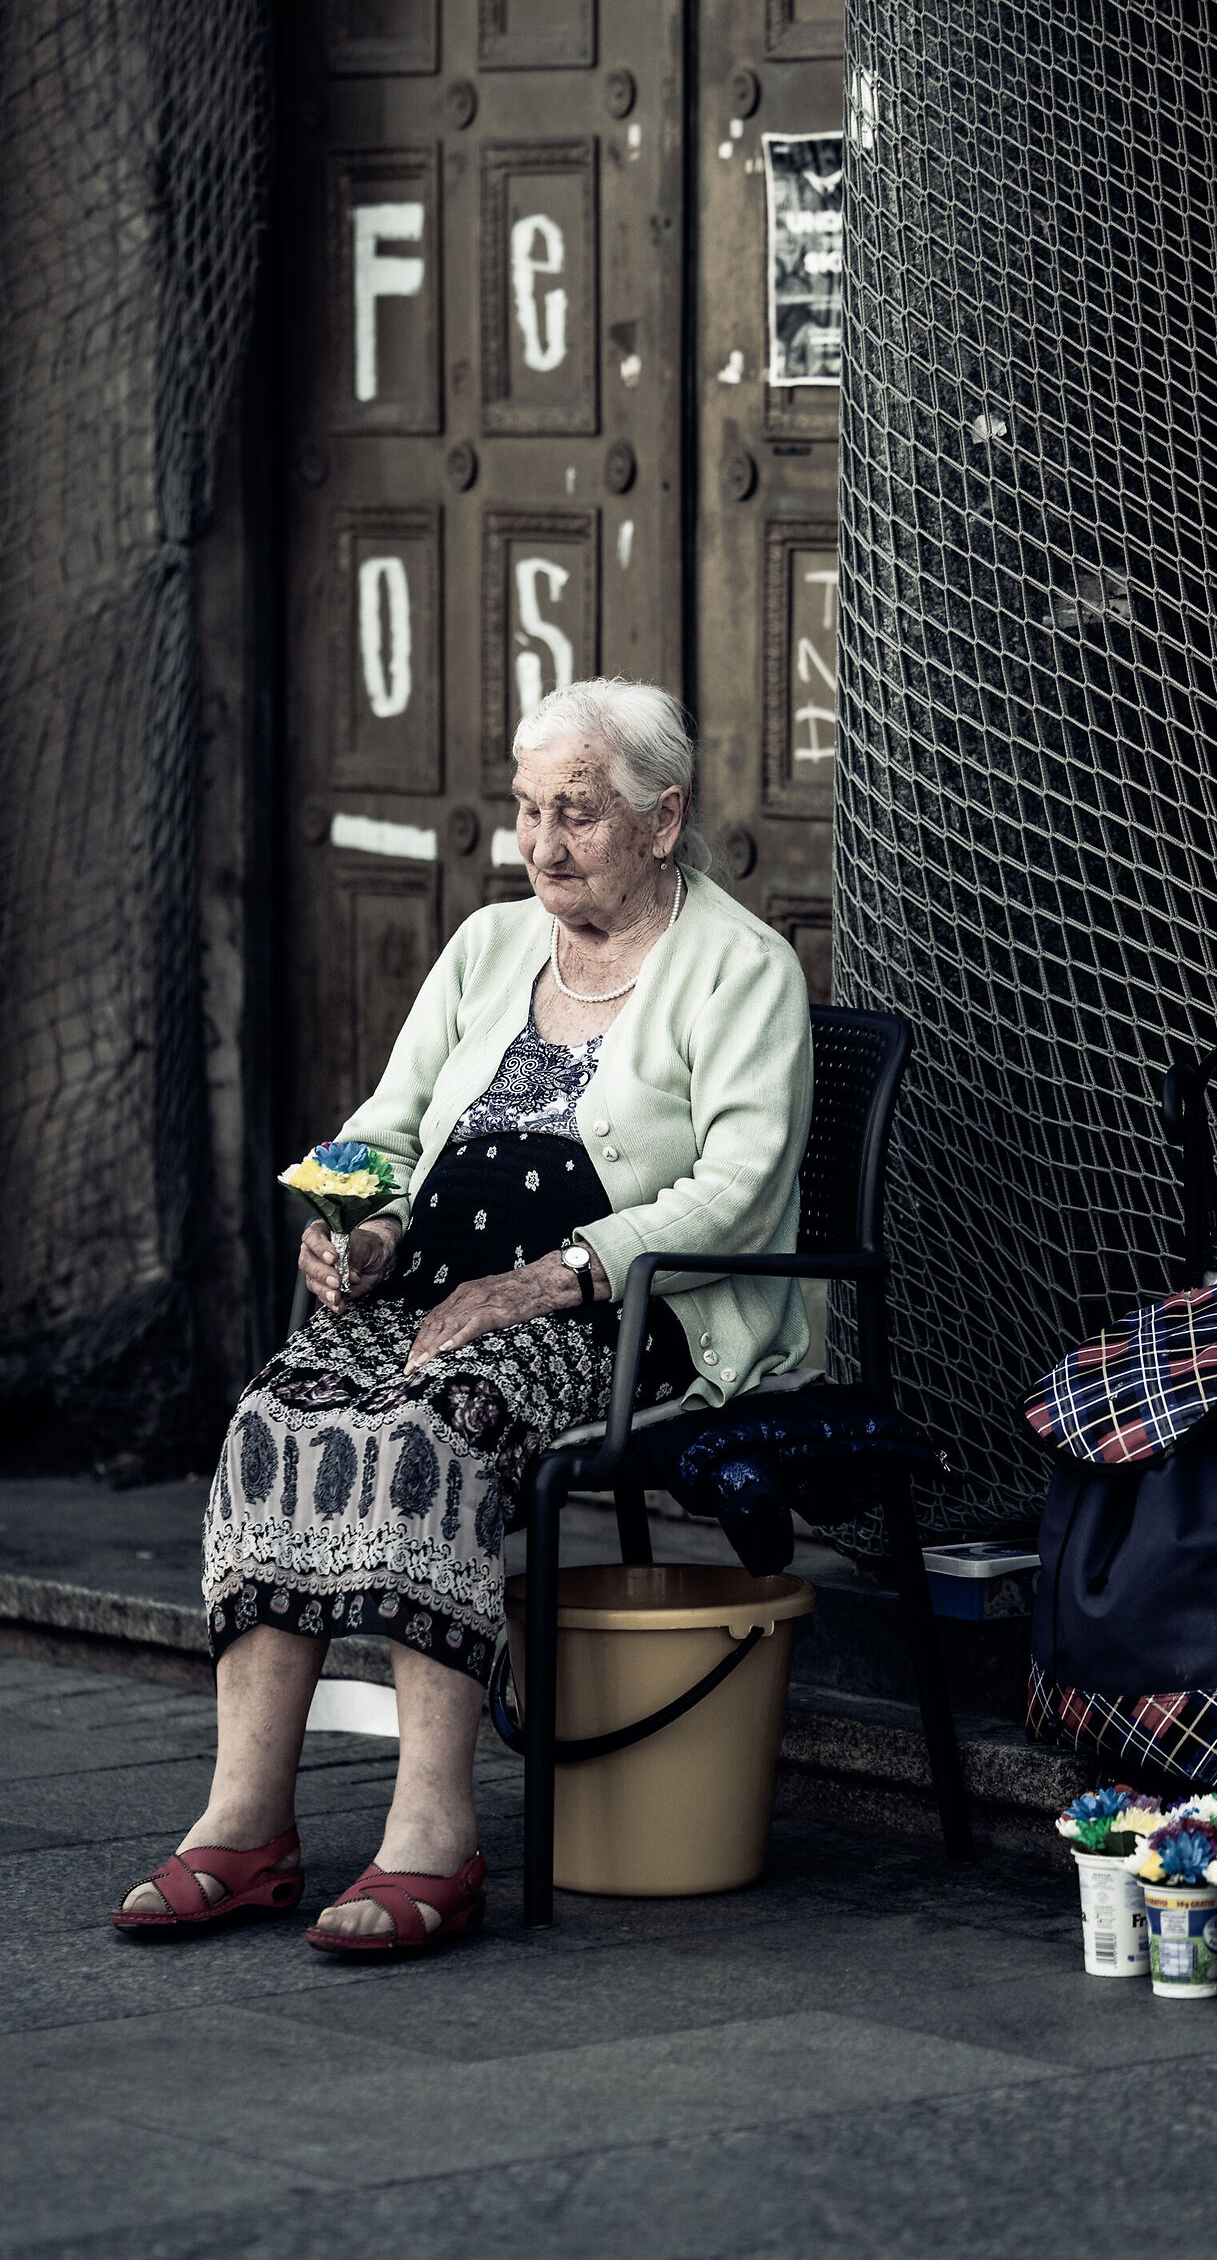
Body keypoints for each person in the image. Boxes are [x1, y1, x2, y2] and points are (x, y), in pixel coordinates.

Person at [113, 680, 812, 1954]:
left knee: (437, 1428)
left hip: (622, 1312)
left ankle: (433, 1835)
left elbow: (741, 1192)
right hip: (440, 1287)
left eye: (579, 815)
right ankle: (244, 1824)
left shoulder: (741, 969)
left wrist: (549, 1276)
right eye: (530, 810)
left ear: (665, 821)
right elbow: (381, 1130)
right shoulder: (490, 946)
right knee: (278, 1414)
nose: (543, 845)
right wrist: (363, 1225)